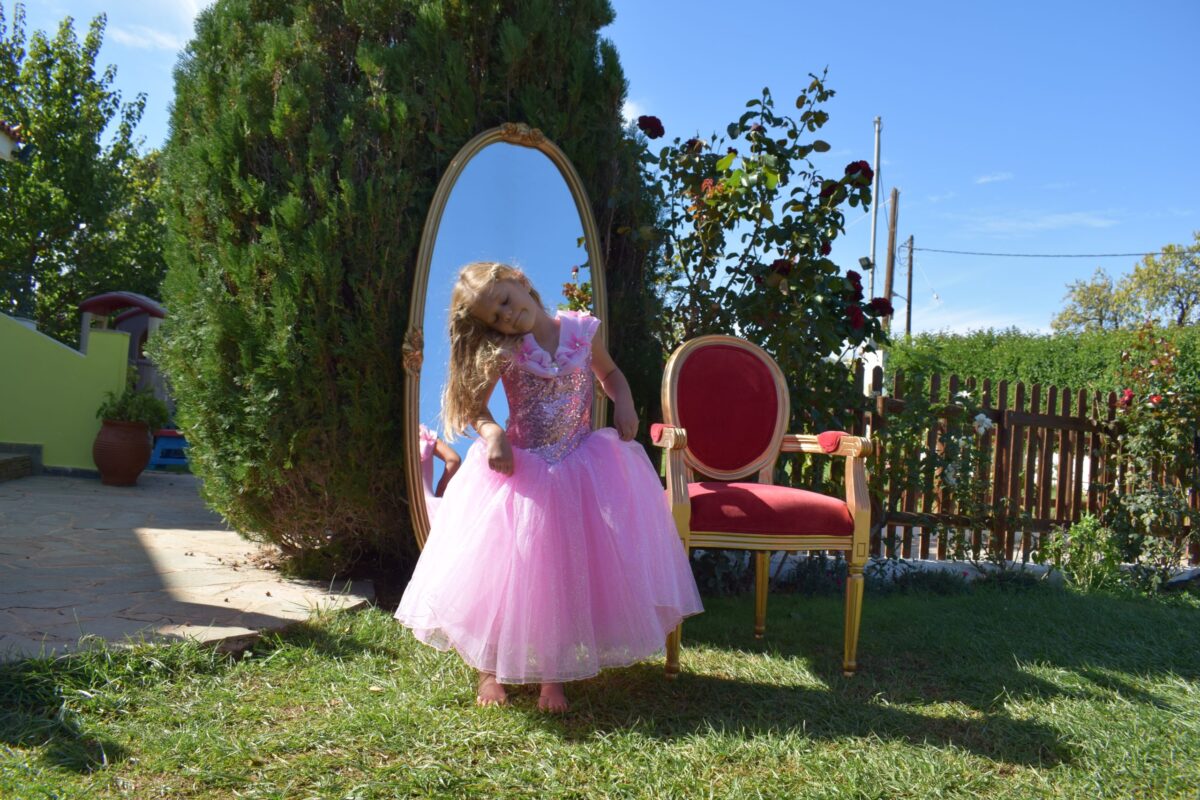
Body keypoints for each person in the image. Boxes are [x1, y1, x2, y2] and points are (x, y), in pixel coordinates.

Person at [396, 262, 702, 713]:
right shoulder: (505, 351)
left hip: (579, 467)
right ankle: (489, 668)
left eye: (505, 301)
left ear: (519, 281)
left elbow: (610, 374)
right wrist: (494, 435)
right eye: (495, 317)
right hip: (523, 473)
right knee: (507, 578)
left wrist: (624, 402)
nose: (506, 316)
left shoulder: (582, 331)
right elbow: (476, 407)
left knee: (563, 576)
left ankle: (552, 678)